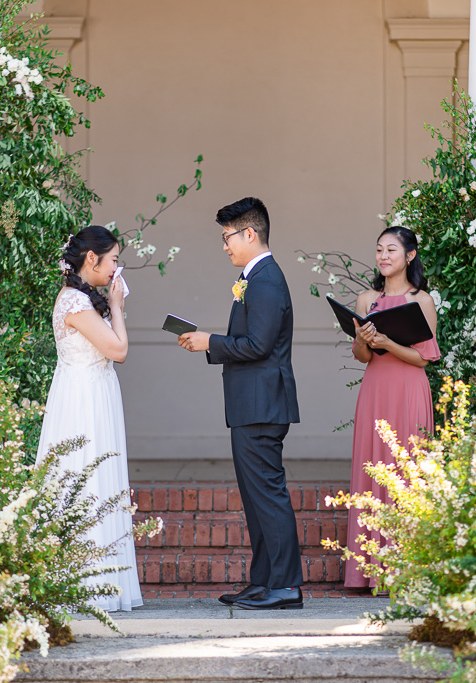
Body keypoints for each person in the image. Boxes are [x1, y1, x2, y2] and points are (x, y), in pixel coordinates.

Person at [178, 197, 304, 610]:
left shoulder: (265, 279)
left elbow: (259, 345)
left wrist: (208, 343)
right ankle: (264, 579)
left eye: (228, 237)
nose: (225, 245)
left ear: (250, 234)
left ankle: (285, 585)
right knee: (256, 498)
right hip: (252, 404)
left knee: (268, 495)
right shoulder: (257, 276)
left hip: (262, 405)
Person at [34, 224, 142, 612]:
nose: (117, 267)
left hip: (96, 395)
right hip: (82, 402)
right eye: (113, 259)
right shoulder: (74, 303)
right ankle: (84, 582)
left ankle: (103, 581)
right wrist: (116, 306)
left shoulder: (83, 298)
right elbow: (118, 349)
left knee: (101, 480)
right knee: (84, 479)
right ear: (92, 259)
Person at [344, 225, 440, 589]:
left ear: (409, 256)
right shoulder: (366, 300)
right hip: (376, 388)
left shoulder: (422, 301)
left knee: (406, 470)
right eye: (379, 250)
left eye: (392, 251)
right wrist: (364, 339)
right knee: (374, 466)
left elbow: (423, 358)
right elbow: (361, 356)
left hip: (409, 389)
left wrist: (386, 339)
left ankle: (405, 571)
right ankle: (368, 572)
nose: (384, 257)